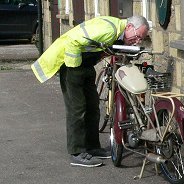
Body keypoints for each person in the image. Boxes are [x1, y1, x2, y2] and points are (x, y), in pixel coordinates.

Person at [31, 15, 149, 167]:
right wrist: (75, 69)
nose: (138, 41)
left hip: (85, 66)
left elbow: (98, 47)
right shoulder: (109, 29)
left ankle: (92, 147)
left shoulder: (118, 32)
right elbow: (74, 41)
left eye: (142, 39)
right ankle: (77, 152)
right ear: (129, 27)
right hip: (72, 66)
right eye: (138, 36)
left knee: (93, 107)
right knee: (77, 109)